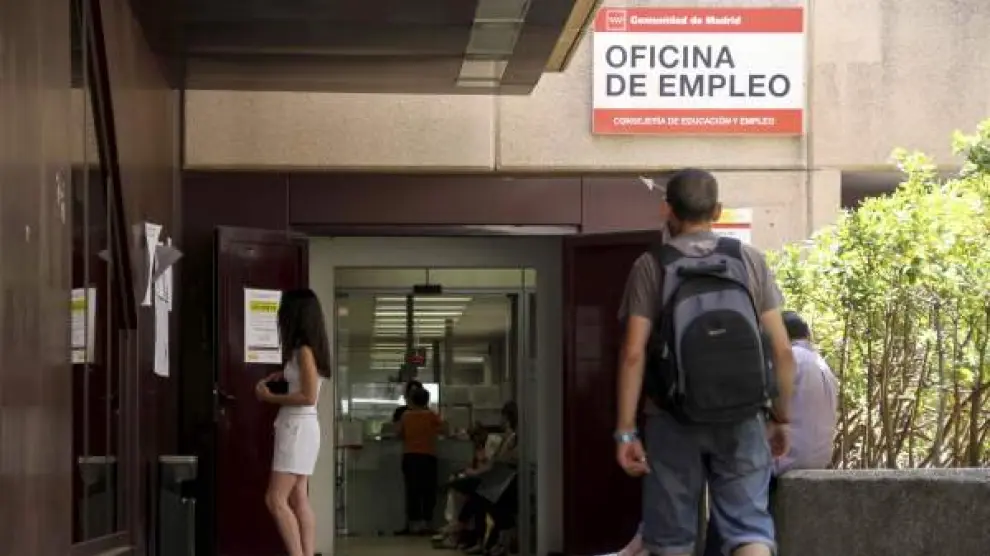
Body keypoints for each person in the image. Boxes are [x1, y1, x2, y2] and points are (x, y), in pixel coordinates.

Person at [614, 168, 797, 556]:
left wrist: (626, 431)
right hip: (744, 414)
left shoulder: (651, 265)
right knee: (749, 529)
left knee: (671, 540)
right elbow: (782, 349)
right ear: (717, 210)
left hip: (672, 417)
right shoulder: (748, 259)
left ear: (667, 210)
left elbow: (633, 353)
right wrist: (781, 416)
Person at [610, 310, 839, 556]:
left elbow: (758, 401)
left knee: (714, 473)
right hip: (817, 458)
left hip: (785, 458)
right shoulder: (821, 364)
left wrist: (777, 420)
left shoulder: (789, 359)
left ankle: (647, 543)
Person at [255, 288, 331, 556]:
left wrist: (269, 397)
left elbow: (308, 396)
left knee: (275, 499)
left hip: (296, 427)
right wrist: (285, 375)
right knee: (298, 496)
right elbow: (308, 387)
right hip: (304, 427)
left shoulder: (303, 351)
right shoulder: (312, 349)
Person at [396, 386, 444, 535]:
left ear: (412, 400)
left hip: (410, 456)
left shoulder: (406, 416)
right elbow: (445, 429)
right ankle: (427, 523)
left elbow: (399, 434)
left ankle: (413, 524)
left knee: (412, 491)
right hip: (428, 456)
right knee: (428, 491)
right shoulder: (431, 415)